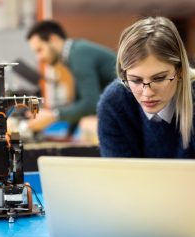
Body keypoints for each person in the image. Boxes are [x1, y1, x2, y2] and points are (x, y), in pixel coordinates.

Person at [97, 16, 195, 158]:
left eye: (159, 78)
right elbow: (120, 176)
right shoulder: (113, 103)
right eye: (135, 80)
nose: (147, 93)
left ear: (180, 71)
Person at [26, 20, 116, 136]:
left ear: (53, 39)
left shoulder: (79, 54)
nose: (39, 58)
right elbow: (79, 100)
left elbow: (91, 104)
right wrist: (68, 135)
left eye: (40, 50)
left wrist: (53, 115)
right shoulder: (75, 52)